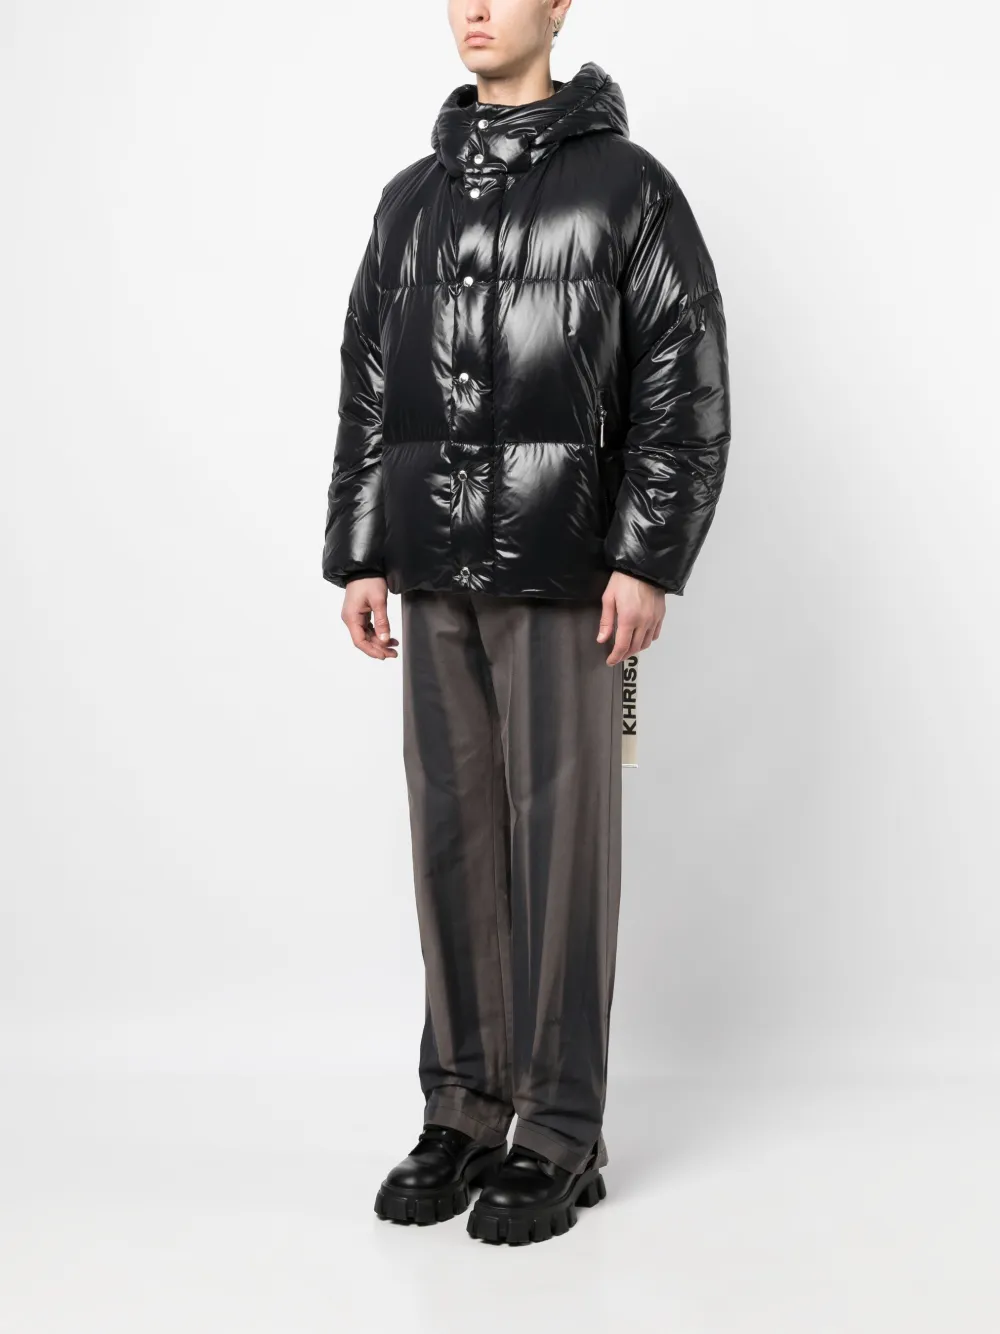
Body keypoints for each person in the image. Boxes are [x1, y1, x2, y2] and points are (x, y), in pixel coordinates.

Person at [322, 0, 731, 1247]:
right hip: (432, 564)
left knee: (561, 842)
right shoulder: (409, 202)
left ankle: (556, 1126)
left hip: (564, 569)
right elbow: (368, 381)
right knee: (451, 833)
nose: (474, 7)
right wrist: (361, 549)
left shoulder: (627, 189)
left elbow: (683, 375)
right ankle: (462, 1104)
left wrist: (645, 555)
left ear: (558, 5)